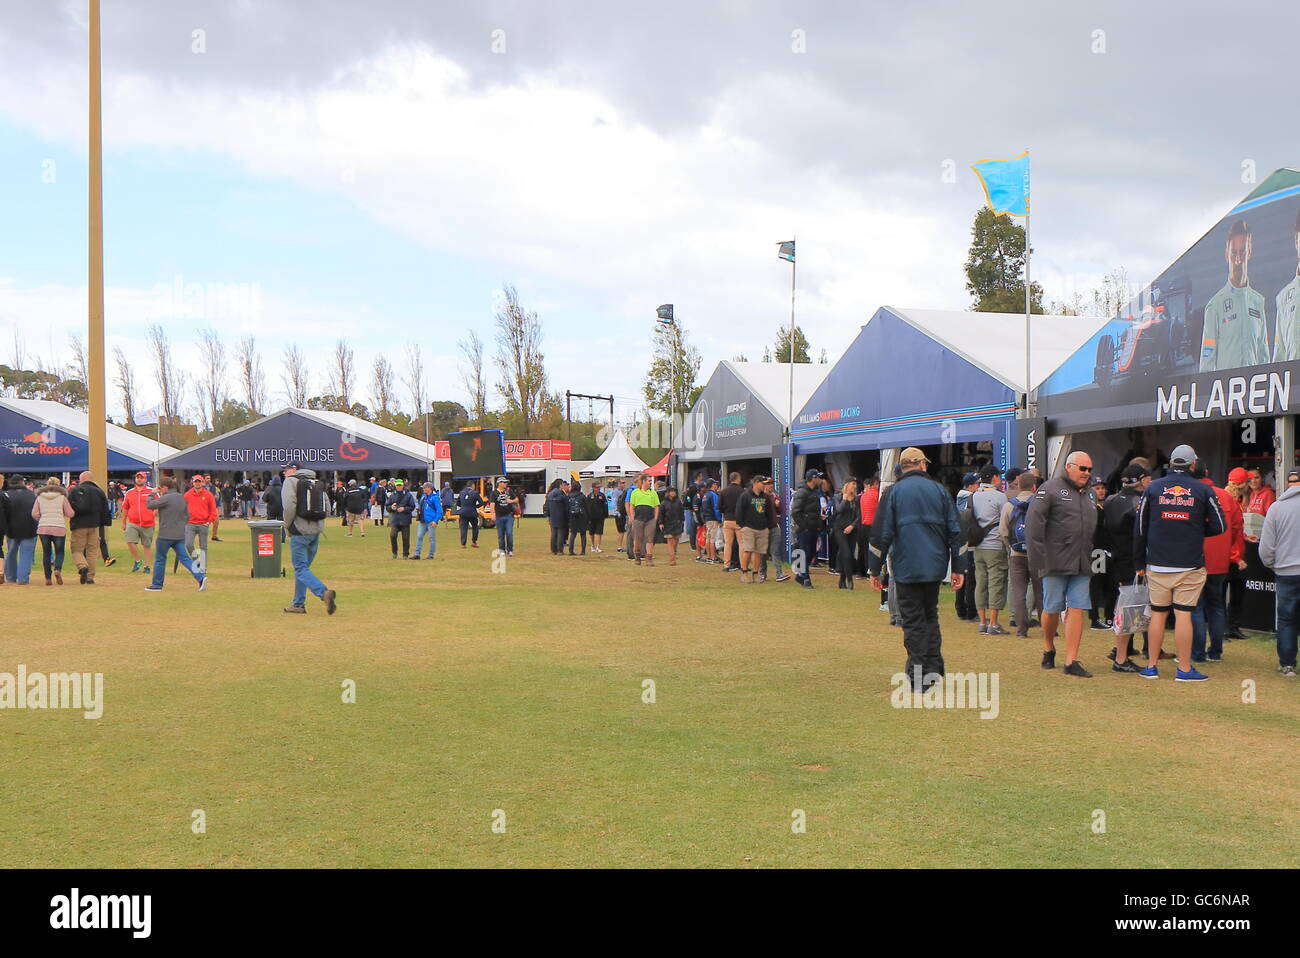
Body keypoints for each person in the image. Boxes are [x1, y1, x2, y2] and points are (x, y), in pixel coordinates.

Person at [868, 448, 964, 692]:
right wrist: (959, 568)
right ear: (921, 465)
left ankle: (920, 676)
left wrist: (874, 569)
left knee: (913, 621)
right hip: (934, 565)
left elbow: (881, 534)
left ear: (902, 467)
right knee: (930, 616)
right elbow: (957, 531)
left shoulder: (893, 493)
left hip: (906, 565)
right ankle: (934, 669)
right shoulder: (939, 491)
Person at [1134, 444, 1226, 682]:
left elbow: (1141, 527)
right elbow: (1220, 525)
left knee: (1158, 614)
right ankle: (1184, 669)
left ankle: (1152, 666)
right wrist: (1194, 528)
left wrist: (1139, 561)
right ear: (1193, 464)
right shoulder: (1203, 490)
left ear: (1172, 463)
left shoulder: (1153, 488)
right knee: (1184, 615)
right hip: (1189, 564)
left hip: (1157, 563)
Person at [1026, 451, 1098, 677]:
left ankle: (1071, 661)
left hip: (1082, 561)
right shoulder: (1050, 488)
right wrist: (1037, 559)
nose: (1087, 473)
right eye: (1082, 468)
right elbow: (1033, 524)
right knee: (1051, 608)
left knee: (1078, 608)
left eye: (1089, 469)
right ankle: (1048, 646)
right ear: (1069, 467)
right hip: (1054, 560)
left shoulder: (1091, 494)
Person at [1199, 218, 1269, 372]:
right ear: (1226, 255)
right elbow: (1207, 361)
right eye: (1233, 253)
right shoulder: (1215, 306)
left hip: (1254, 392)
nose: (1237, 260)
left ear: (1249, 252)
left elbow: (1264, 356)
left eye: (1242, 252)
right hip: (1227, 392)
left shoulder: (1258, 302)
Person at [1190, 462, 1244, 664]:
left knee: (1196, 606)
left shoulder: (1189, 494)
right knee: (1216, 605)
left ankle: (1197, 653)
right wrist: (1230, 552)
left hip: (1195, 558)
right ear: (1206, 472)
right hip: (1219, 560)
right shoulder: (1226, 496)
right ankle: (1215, 651)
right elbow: (1238, 527)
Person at [1104, 463, 1154, 672]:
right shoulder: (1139, 502)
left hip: (1117, 559)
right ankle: (1121, 658)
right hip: (1135, 564)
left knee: (1127, 609)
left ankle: (1122, 654)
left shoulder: (1110, 500)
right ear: (1142, 480)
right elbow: (1143, 535)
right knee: (1129, 611)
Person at [1260, 468, 1300, 677]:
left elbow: (1266, 547)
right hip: (1286, 569)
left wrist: (1271, 563)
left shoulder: (1276, 508)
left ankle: (1287, 664)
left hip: (1285, 571)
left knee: (1286, 619)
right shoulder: (1276, 506)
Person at [281, 462, 336, 614]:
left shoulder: (291, 481)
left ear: (294, 470)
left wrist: (288, 525)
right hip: (316, 531)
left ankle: (323, 593)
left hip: (299, 530)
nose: (284, 472)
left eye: (286, 469)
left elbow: (288, 506)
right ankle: (298, 604)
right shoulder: (316, 482)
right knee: (304, 569)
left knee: (300, 568)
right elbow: (328, 507)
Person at [143, 476, 207, 592]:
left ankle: (157, 585)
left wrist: (152, 494)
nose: (160, 490)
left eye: (160, 488)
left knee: (160, 559)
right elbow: (187, 516)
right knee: (185, 558)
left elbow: (150, 505)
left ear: (165, 488)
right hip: (179, 534)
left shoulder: (166, 498)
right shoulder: (182, 498)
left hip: (165, 535)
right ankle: (200, 577)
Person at [1000, 471, 1042, 639]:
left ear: (1018, 485)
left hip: (1016, 554)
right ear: (1034, 486)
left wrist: (1010, 547)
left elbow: (1003, 531)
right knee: (1040, 592)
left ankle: (1021, 630)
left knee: (1019, 593)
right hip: (1037, 554)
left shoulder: (1010, 505)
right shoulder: (1039, 503)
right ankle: (1048, 627)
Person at [971, 466, 1009, 635]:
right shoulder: (1000, 497)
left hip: (978, 545)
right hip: (994, 545)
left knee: (980, 582)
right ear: (994, 477)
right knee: (995, 582)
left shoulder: (973, 496)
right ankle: (993, 623)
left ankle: (982, 622)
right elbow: (1005, 521)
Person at [68, 470, 111, 585]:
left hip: (79, 525)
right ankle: (90, 577)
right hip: (95, 525)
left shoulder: (75, 491)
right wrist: (104, 523)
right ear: (91, 479)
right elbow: (105, 509)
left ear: (81, 479)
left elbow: (70, 507)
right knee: (92, 551)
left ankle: (82, 567)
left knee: (77, 549)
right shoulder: (99, 492)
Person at [31, 477, 74, 586]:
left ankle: (47, 578)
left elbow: (34, 514)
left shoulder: (40, 497)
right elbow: (70, 513)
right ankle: (57, 569)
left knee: (46, 553)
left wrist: (42, 517)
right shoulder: (62, 498)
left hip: (44, 527)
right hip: (58, 526)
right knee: (59, 551)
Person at [953, 473, 981, 621]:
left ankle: (961, 609)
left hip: (959, 542)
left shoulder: (959, 498)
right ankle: (970, 610)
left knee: (961, 575)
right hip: (968, 542)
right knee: (971, 579)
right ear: (970, 485)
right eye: (977, 484)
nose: (979, 487)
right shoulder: (968, 498)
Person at [1088, 477, 1114, 631]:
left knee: (1111, 586)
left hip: (1109, 551)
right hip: (1097, 552)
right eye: (1097, 488)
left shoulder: (1107, 506)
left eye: (1102, 487)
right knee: (1096, 585)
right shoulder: (1090, 508)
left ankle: (1110, 617)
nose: (1101, 490)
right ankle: (1094, 618)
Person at [790, 469, 823, 589]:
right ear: (813, 478)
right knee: (805, 553)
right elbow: (795, 512)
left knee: (811, 553)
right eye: (818, 477)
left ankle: (801, 575)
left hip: (813, 528)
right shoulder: (802, 492)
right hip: (805, 529)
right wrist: (804, 526)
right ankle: (806, 579)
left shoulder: (815, 492)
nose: (820, 479)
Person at [2, 474, 37, 584]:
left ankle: (11, 577)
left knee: (11, 552)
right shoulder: (32, 495)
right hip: (29, 528)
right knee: (26, 553)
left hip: (12, 528)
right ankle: (23, 579)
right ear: (22, 482)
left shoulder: (6, 495)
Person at [120, 470, 156, 573]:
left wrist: (153, 514)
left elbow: (158, 504)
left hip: (147, 523)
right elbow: (125, 508)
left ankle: (147, 566)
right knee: (130, 541)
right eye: (138, 477)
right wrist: (123, 522)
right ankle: (137, 560)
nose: (139, 479)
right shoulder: (129, 492)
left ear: (145, 479)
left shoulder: (151, 491)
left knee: (146, 545)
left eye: (141, 477)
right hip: (133, 522)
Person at [183, 474, 219, 574]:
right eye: (195, 481)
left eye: (199, 481)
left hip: (203, 523)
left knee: (203, 546)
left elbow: (213, 510)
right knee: (188, 544)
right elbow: (183, 509)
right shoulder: (187, 495)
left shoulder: (208, 495)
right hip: (190, 523)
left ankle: (203, 567)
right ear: (192, 483)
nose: (197, 483)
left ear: (202, 482)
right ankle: (197, 561)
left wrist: (209, 521)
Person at [627, 474, 660, 565]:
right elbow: (632, 505)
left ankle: (649, 558)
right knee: (637, 539)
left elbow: (657, 506)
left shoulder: (653, 493)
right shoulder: (635, 492)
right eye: (648, 481)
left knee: (649, 539)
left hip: (650, 519)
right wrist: (632, 516)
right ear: (643, 481)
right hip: (638, 518)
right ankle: (637, 556)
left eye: (651, 481)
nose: (650, 483)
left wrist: (655, 518)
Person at [831, 479, 859, 589]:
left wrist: (852, 526)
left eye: (855, 484)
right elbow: (838, 510)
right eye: (853, 484)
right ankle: (849, 580)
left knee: (848, 554)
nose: (855, 486)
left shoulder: (857, 499)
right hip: (839, 528)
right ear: (847, 485)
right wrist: (844, 499)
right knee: (846, 553)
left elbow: (859, 515)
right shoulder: (838, 496)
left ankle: (842, 580)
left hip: (852, 529)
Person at [719, 472, 745, 573]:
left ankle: (727, 565)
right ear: (738, 479)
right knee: (741, 543)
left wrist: (725, 512)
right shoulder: (742, 491)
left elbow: (719, 506)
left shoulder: (724, 491)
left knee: (728, 543)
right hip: (739, 521)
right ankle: (743, 565)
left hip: (728, 519)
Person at [1242, 469, 1275, 543]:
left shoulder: (1268, 494)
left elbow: (1271, 518)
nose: (1253, 481)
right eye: (1249, 479)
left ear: (1262, 479)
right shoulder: (1249, 494)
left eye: (1256, 478)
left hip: (1262, 537)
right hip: (1249, 536)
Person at [386, 478, 416, 558]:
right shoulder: (392, 495)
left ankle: (405, 554)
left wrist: (404, 509)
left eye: (400, 485)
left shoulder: (408, 495)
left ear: (403, 485)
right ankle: (394, 552)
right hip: (395, 519)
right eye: (397, 485)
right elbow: (387, 506)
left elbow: (412, 506)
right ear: (395, 486)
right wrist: (391, 507)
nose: (399, 487)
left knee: (406, 538)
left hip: (405, 519)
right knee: (393, 535)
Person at [414, 480, 444, 559]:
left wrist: (435, 520)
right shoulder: (423, 497)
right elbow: (421, 506)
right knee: (419, 536)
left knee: (431, 538)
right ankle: (417, 554)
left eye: (424, 488)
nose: (423, 489)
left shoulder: (435, 498)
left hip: (431, 521)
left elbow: (439, 511)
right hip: (423, 520)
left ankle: (431, 555)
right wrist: (418, 508)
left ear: (429, 488)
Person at [492, 479, 518, 556]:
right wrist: (493, 514)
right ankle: (502, 550)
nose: (505, 483)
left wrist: (511, 501)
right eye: (503, 482)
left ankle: (510, 550)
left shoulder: (509, 491)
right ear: (499, 483)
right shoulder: (494, 493)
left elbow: (516, 499)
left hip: (509, 516)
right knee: (501, 534)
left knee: (509, 533)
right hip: (499, 516)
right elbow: (492, 504)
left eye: (506, 482)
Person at [545, 478, 569, 555]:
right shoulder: (562, 494)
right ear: (560, 485)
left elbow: (547, 506)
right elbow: (566, 506)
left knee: (553, 533)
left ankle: (553, 549)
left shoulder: (550, 494)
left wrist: (548, 515)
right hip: (561, 516)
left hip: (552, 516)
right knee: (560, 533)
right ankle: (560, 550)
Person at [455, 482, 483, 548]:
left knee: (463, 528)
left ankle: (463, 544)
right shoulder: (475, 493)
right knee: (475, 527)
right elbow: (481, 503)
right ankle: (474, 542)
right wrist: (475, 506)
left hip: (463, 512)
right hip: (472, 512)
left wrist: (463, 507)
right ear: (473, 486)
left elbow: (458, 503)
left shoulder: (461, 493)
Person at [565, 481, 589, 555]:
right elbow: (586, 507)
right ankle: (583, 551)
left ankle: (571, 551)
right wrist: (588, 517)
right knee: (583, 534)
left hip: (573, 517)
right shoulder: (582, 496)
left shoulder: (569, 496)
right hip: (582, 516)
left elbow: (567, 507)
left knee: (573, 534)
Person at [586, 483, 608, 552]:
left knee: (599, 532)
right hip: (591, 517)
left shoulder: (602, 495)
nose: (598, 488)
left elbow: (605, 505)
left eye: (599, 487)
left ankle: (598, 546)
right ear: (593, 488)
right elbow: (587, 506)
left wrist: (605, 514)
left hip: (600, 517)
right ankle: (592, 546)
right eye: (596, 487)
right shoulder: (589, 496)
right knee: (591, 532)